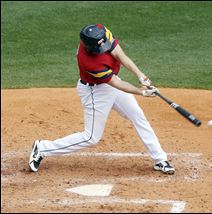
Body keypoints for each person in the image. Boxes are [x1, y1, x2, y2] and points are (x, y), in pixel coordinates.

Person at [28, 24, 175, 174]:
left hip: (111, 84)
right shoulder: (89, 62)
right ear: (89, 47)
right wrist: (141, 92)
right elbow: (117, 84)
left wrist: (141, 76)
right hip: (95, 92)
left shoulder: (101, 32)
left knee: (137, 115)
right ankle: (42, 148)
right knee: (91, 137)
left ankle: (160, 159)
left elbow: (120, 55)